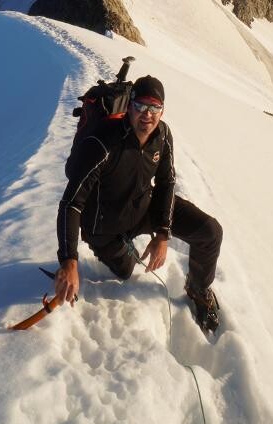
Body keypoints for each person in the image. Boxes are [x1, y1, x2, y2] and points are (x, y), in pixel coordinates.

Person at [55, 74, 222, 331]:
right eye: (141, 106)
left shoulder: (162, 136)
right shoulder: (102, 143)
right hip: (105, 227)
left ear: (162, 111)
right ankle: (117, 250)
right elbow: (72, 204)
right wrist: (69, 262)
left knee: (210, 232)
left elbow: (166, 182)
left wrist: (163, 235)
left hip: (144, 207)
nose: (148, 115)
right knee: (125, 272)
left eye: (155, 108)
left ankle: (198, 289)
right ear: (129, 106)